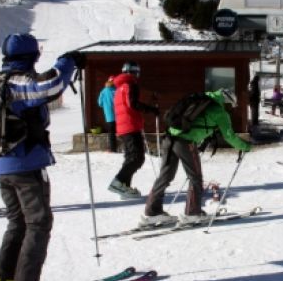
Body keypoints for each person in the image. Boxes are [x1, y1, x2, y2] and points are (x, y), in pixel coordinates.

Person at [0, 33, 81, 281]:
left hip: (2, 164)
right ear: (32, 55)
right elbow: (51, 85)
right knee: (38, 223)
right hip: (25, 164)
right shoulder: (18, 82)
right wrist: (68, 62)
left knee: (17, 222)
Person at [142, 89, 250, 227]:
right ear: (227, 101)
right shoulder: (219, 112)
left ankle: (152, 212)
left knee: (165, 176)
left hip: (169, 138)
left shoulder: (202, 100)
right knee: (195, 178)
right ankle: (192, 214)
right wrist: (245, 146)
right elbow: (229, 136)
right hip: (185, 142)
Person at [109, 61, 159, 198]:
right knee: (137, 158)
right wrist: (151, 109)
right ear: (134, 72)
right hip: (130, 126)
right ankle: (118, 182)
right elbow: (133, 104)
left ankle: (124, 187)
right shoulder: (131, 84)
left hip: (123, 126)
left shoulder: (119, 87)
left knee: (131, 157)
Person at [97, 76, 117, 152]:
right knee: (121, 132)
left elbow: (100, 103)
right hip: (119, 115)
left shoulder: (103, 91)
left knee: (111, 133)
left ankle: (113, 149)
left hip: (109, 116)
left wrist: (106, 105)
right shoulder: (117, 90)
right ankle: (124, 147)